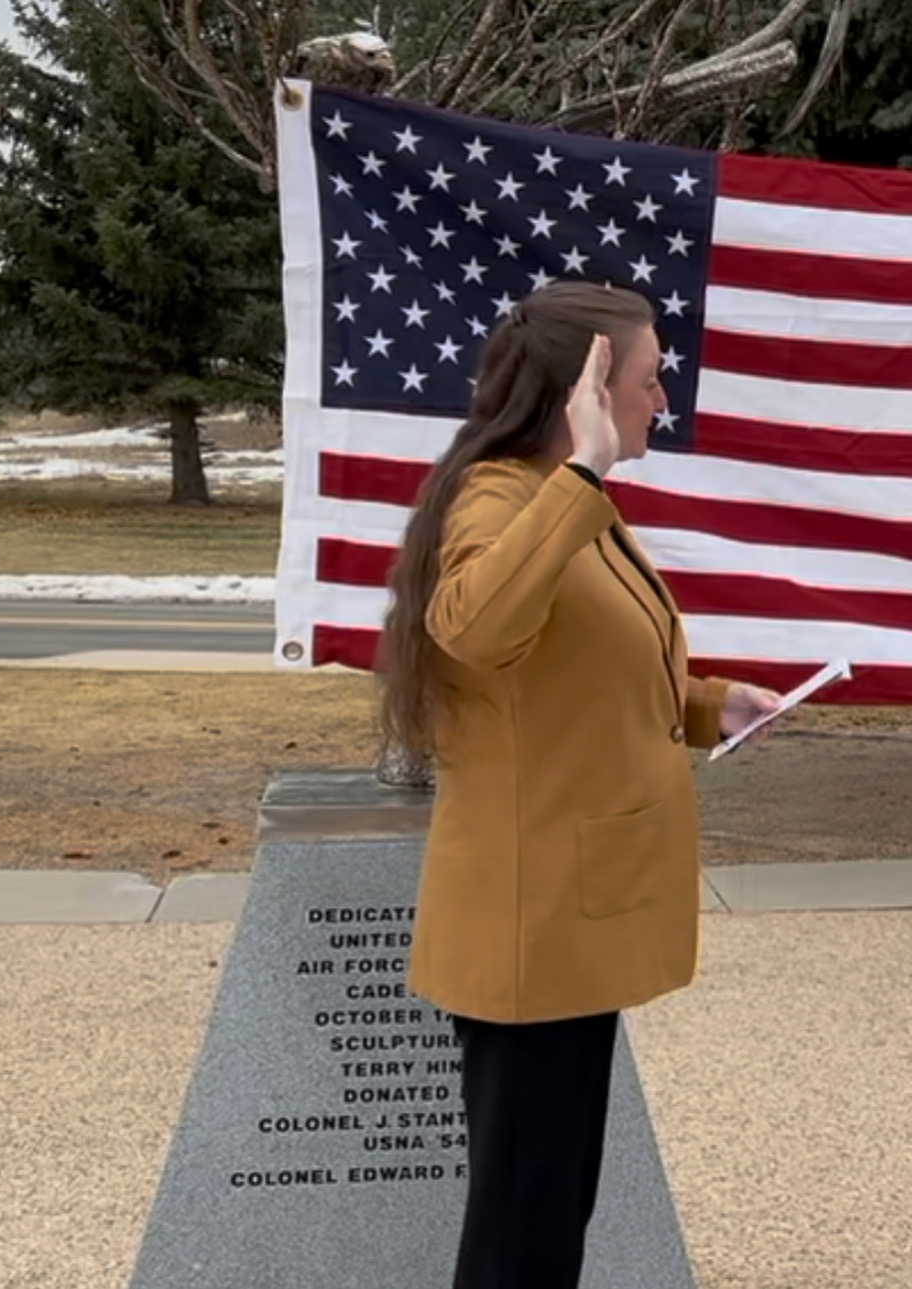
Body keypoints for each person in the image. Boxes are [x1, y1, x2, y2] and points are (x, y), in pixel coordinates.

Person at [372, 280, 781, 1289]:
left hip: (570, 926)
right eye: (648, 379)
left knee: (548, 1221)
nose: (664, 399)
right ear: (588, 388)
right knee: (523, 1239)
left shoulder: (568, 503)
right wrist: (587, 464)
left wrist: (707, 703)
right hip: (532, 930)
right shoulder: (512, 497)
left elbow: (587, 669)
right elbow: (473, 627)